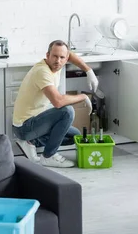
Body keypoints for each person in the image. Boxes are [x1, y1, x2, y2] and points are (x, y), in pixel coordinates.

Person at [13, 40, 99, 168]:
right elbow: (58, 102)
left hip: (36, 121)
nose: (58, 60)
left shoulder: (58, 64)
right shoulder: (42, 71)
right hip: (25, 126)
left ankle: (31, 142)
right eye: (54, 56)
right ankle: (48, 156)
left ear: (66, 59)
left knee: (74, 136)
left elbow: (70, 54)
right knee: (67, 111)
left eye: (62, 57)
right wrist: (83, 96)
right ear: (47, 55)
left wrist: (88, 70)